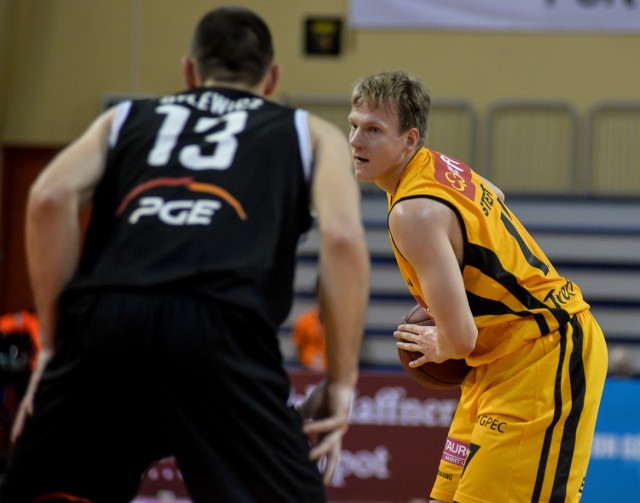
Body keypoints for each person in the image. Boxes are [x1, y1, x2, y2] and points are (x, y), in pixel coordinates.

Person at [0, 7, 369, 503]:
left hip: (108, 321)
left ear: (189, 72)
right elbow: (343, 239)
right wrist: (341, 380)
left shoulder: (124, 117)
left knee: (48, 492)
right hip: (221, 325)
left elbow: (47, 198)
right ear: (272, 79)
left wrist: (52, 345)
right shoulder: (308, 132)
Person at [348, 70, 607, 503]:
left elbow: (461, 337)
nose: (357, 141)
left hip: (544, 354)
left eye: (374, 130)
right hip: (495, 361)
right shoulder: (439, 166)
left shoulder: (412, 213)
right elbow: (496, 195)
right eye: (354, 125)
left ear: (409, 140)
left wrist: (437, 344)